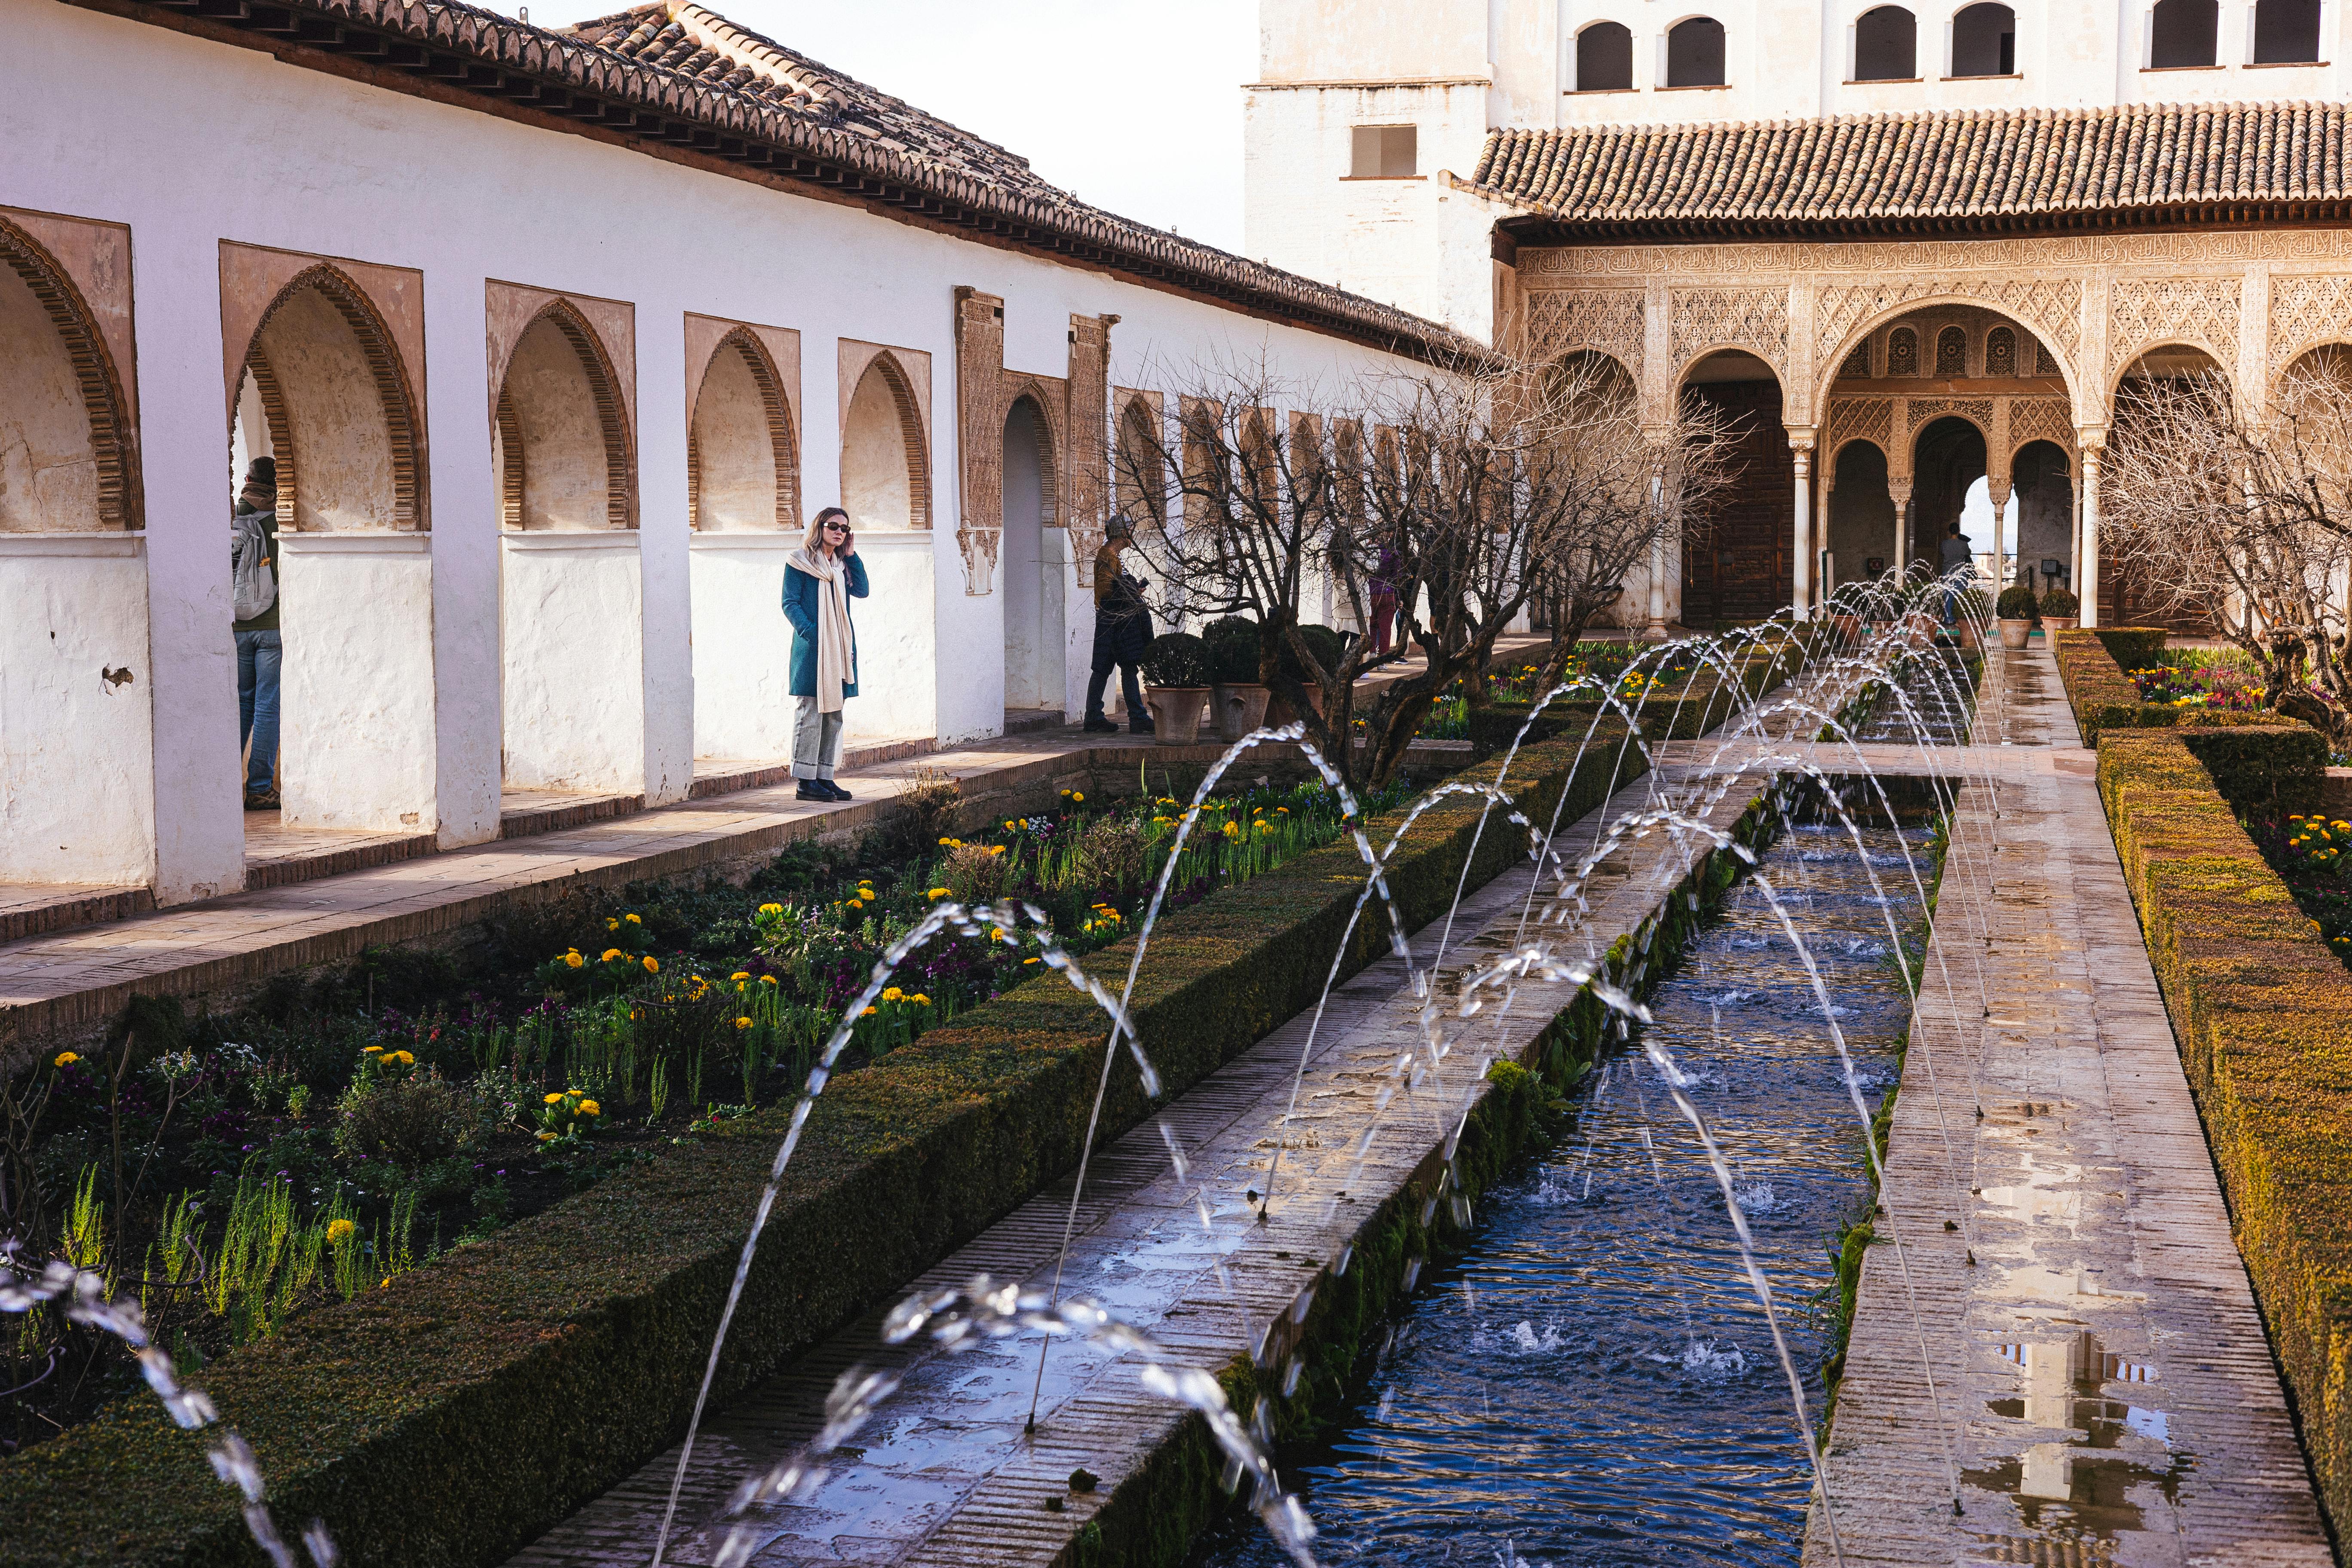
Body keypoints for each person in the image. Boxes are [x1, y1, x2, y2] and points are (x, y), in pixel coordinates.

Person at [783, 506, 868, 802]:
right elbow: (789, 603)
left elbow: (863, 591)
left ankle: (824, 777)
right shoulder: (800, 561)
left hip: (840, 648)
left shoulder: (842, 565)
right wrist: (814, 633)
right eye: (834, 525)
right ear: (820, 527)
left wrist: (852, 555)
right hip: (814, 648)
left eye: (844, 528)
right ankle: (805, 782)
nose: (839, 532)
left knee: (834, 713)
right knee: (811, 712)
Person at [230, 456, 282, 810]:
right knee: (268, 704)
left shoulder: (231, 517)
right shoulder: (281, 520)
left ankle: (223, 779)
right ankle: (260, 787)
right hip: (273, 627)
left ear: (247, 479)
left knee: (241, 704)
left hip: (237, 625)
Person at [1083, 513, 1155, 734]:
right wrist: (1131, 591)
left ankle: (1105, 716)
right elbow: (1107, 593)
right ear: (1124, 533)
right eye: (1130, 531)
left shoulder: (1111, 557)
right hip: (1113, 622)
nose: (1132, 535)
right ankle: (1128, 717)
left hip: (1116, 621)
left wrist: (1131, 590)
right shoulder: (1107, 557)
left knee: (1116, 669)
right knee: (1110, 669)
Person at [1938, 521, 1974, 625]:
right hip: (1960, 573)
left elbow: (1942, 553)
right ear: (1959, 531)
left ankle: (1948, 617)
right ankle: (1958, 618)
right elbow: (1968, 553)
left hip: (1947, 572)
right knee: (1959, 596)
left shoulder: (1945, 544)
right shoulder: (1964, 545)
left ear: (1949, 532)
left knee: (1948, 595)